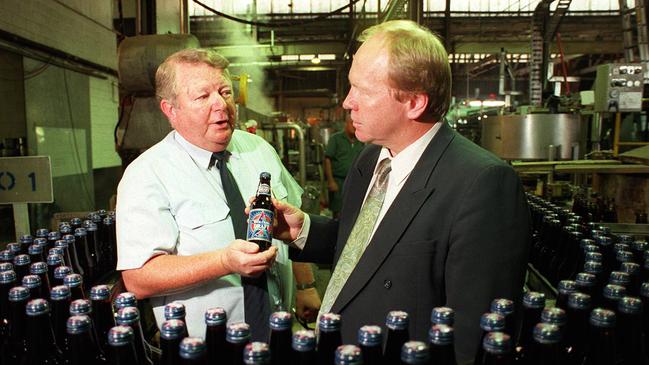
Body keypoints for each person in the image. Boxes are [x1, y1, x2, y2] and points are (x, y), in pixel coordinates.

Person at [269, 20, 530, 362]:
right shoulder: (370, 160)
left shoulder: (482, 184)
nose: (348, 102)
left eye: (362, 90)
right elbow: (370, 250)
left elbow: (475, 337)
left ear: (415, 102)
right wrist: (302, 230)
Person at [115, 48, 320, 341]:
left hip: (280, 331)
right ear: (170, 110)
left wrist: (305, 285)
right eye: (202, 96)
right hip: (209, 348)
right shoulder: (147, 174)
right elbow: (139, 278)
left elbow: (291, 229)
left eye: (225, 91)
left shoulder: (258, 149)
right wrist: (224, 262)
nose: (221, 104)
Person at [324, 115, 365, 218]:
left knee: (354, 211)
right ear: (346, 124)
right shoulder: (336, 139)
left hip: (355, 181)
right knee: (338, 212)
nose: (354, 126)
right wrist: (330, 181)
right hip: (338, 181)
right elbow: (327, 159)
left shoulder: (360, 140)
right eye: (352, 123)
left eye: (356, 124)